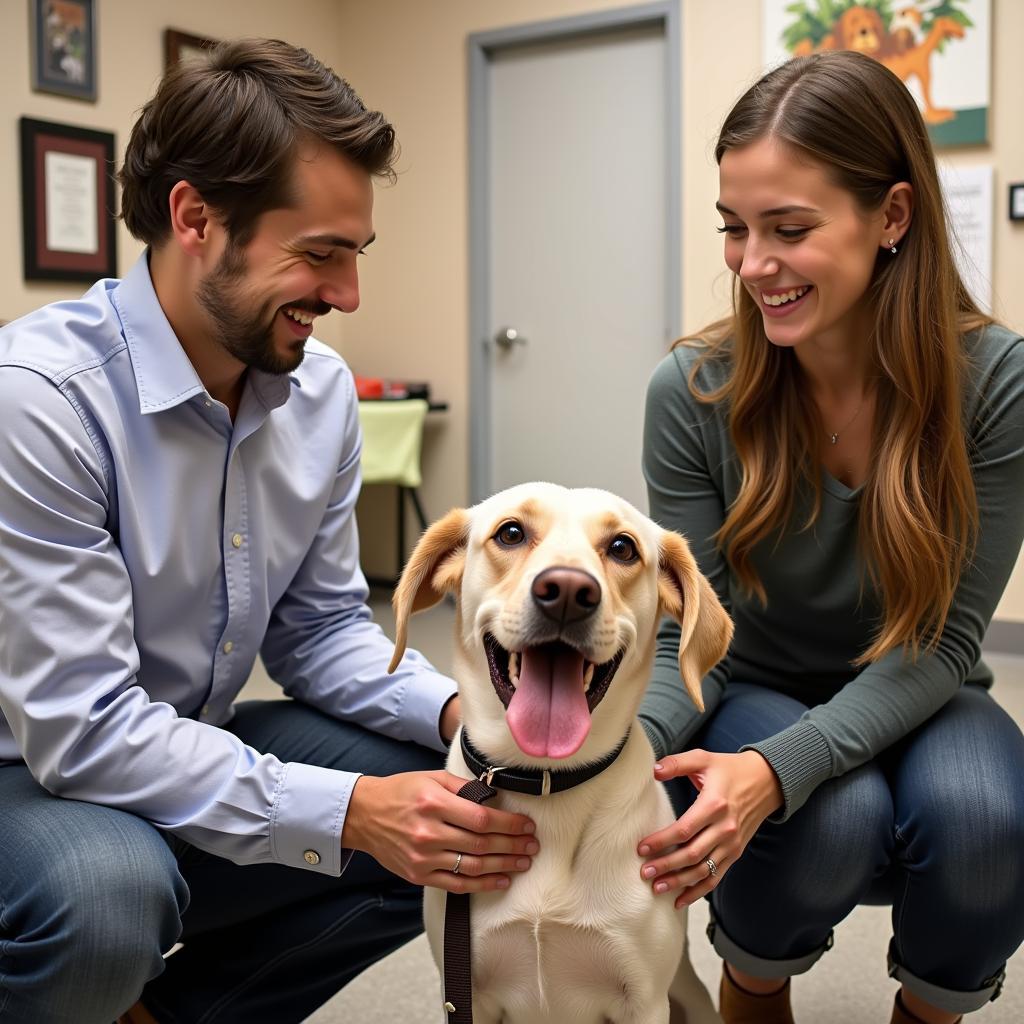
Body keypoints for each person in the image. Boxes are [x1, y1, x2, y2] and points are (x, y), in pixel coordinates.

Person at [0, 39, 539, 1024]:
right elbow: (79, 732)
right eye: (318, 252)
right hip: (28, 773)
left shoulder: (318, 393)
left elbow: (323, 630)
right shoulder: (39, 401)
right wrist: (342, 812)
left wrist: (466, 716)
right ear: (195, 217)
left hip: (179, 740)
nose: (347, 295)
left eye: (355, 254)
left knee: (460, 810)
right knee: (108, 898)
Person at [635, 50, 1024, 1024]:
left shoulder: (996, 382)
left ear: (891, 217)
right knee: (825, 818)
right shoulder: (691, 392)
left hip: (922, 680)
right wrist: (610, 762)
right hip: (753, 680)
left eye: (789, 228)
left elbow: (942, 641)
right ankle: (754, 984)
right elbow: (693, 631)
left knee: (989, 822)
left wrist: (782, 765)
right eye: (734, 229)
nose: (752, 263)